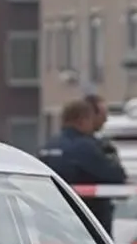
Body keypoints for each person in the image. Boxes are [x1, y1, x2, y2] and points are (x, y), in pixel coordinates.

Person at [40, 98, 128, 235]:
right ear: (82, 120)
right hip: (87, 226)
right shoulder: (85, 147)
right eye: (90, 119)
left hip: (52, 224)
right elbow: (117, 177)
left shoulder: (48, 147)